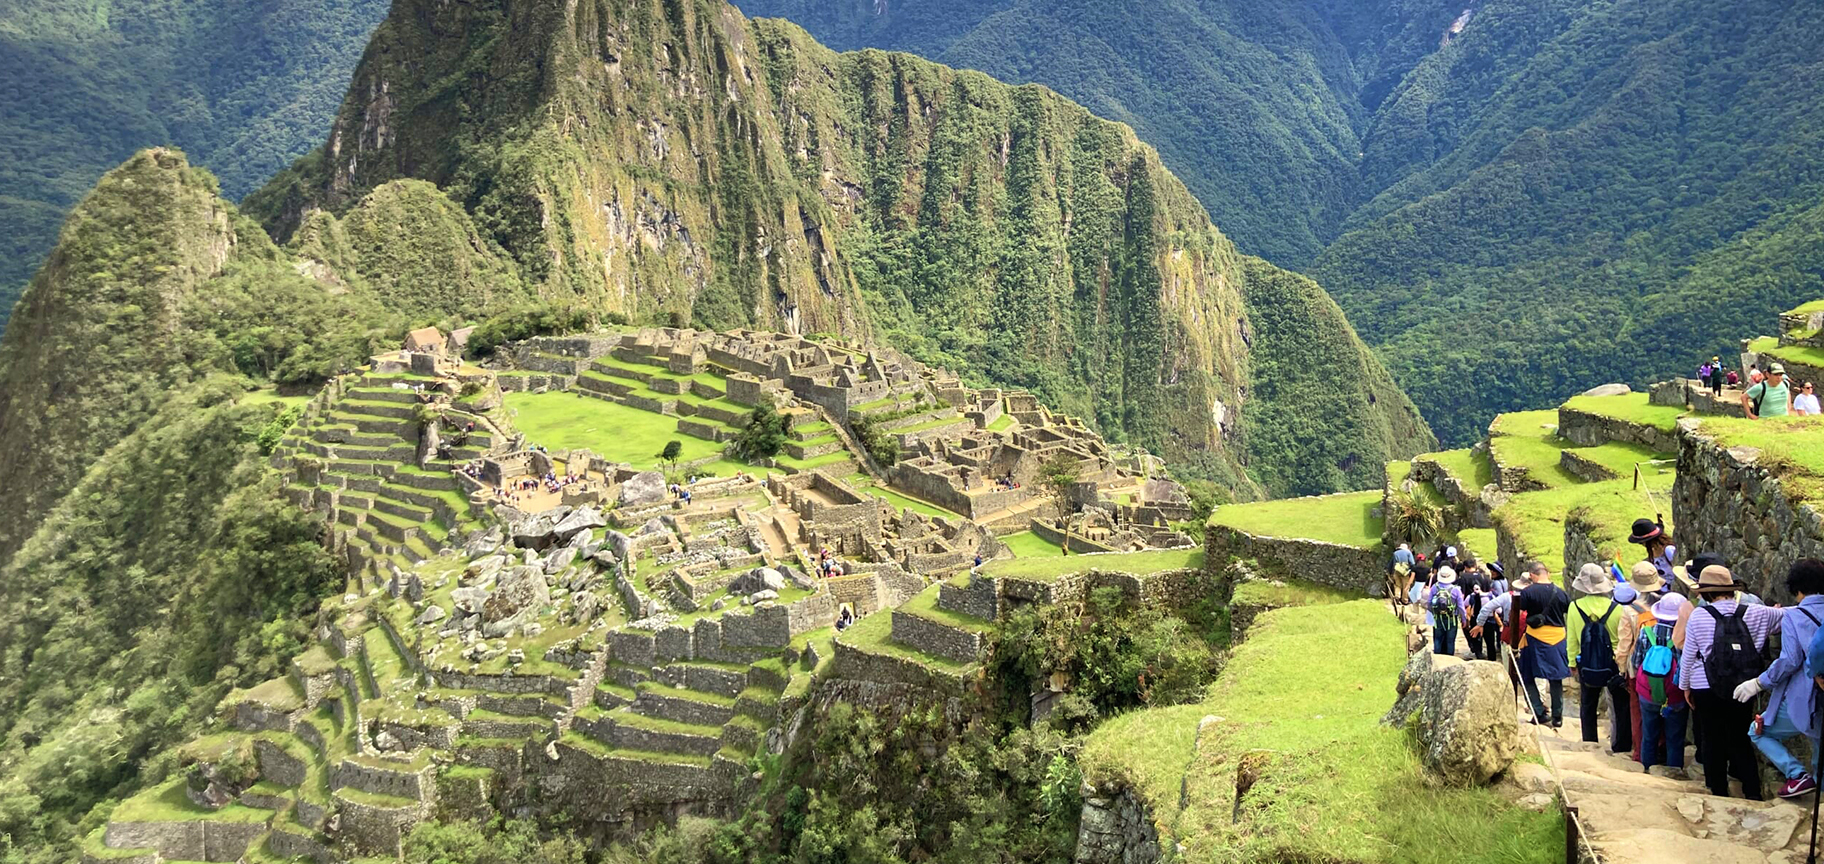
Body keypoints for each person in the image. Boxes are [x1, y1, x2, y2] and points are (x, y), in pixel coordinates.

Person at [1679, 565, 1784, 800]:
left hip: (1705, 685)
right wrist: (1774, 610)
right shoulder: (1757, 612)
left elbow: (1688, 656)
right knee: (1740, 737)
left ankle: (1718, 792)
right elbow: (1790, 616)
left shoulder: (1699, 616)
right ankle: (1752, 792)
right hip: (1744, 685)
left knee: (1711, 737)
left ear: (1705, 592)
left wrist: (1685, 686)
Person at [1744, 559, 1824, 798]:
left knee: (1759, 732)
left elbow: (1790, 660)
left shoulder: (1794, 616)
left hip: (1807, 694)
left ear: (1797, 588)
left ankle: (1797, 774)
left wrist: (1760, 682)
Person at [1614, 561, 1675, 762]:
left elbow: (1625, 644)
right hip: (1667, 667)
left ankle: (1641, 753)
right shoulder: (1667, 606)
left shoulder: (1630, 610)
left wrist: (1622, 667)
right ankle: (1664, 749)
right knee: (1666, 707)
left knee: (1639, 712)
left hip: (1640, 669)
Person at [1568, 564, 1631, 751]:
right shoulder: (1617, 608)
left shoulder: (1574, 607)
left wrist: (1572, 663)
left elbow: (1572, 639)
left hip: (1586, 661)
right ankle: (1621, 745)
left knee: (1588, 703)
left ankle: (1589, 741)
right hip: (1613, 663)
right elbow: (1622, 638)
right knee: (1620, 705)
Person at [1634, 592, 1691, 774]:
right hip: (1675, 695)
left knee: (1649, 734)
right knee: (1675, 736)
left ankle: (1647, 769)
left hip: (1647, 693)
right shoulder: (1684, 637)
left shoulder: (1646, 632)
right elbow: (1685, 666)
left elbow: (1636, 662)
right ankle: (1674, 771)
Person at [1516, 560, 1572, 727]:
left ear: (1532, 575)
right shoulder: (1562, 593)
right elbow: (1567, 611)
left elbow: (1520, 615)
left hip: (1535, 638)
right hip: (1558, 638)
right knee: (1556, 678)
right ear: (1547, 573)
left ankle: (1539, 712)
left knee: (1527, 675)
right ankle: (1558, 716)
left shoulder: (1528, 592)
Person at [1427, 567, 1470, 657]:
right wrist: (1463, 619)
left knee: (1438, 639)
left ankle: (1437, 658)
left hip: (1438, 618)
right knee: (1450, 641)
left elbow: (1429, 603)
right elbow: (1461, 607)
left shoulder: (1435, 587)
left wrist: (1434, 613)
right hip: (1452, 618)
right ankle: (1450, 659)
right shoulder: (1456, 590)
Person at [1627, 518, 1677, 592]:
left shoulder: (1668, 550)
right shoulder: (1653, 553)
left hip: (1674, 591)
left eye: (1641, 542)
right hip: (1660, 590)